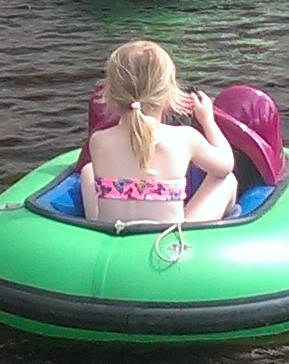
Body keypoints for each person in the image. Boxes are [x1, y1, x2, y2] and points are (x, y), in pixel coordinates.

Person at [80, 40, 238, 225]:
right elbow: (225, 166)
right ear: (169, 93)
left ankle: (95, 229)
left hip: (113, 229)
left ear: (111, 93)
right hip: (168, 235)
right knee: (227, 180)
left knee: (88, 170)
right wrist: (207, 121)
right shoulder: (185, 138)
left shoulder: (99, 140)